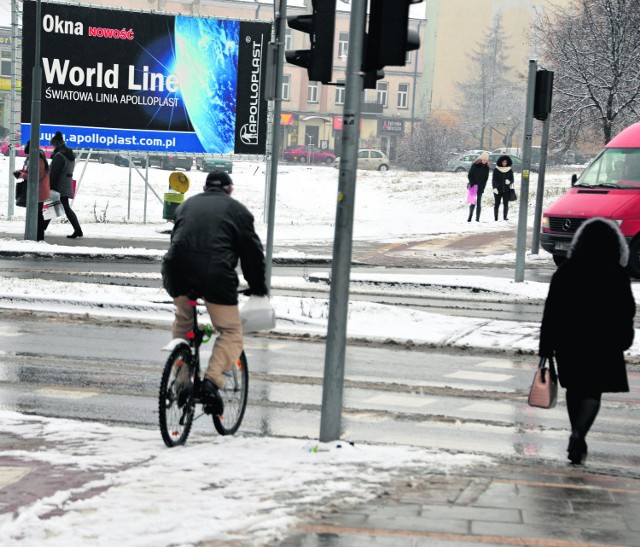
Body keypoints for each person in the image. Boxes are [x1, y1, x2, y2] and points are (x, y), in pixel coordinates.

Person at [161, 170, 268, 415]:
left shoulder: (186, 206)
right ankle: (211, 382)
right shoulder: (239, 211)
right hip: (215, 276)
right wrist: (258, 288)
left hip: (176, 271)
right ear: (230, 189)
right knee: (230, 330)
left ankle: (181, 383)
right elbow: (252, 256)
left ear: (205, 187)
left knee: (183, 322)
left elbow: (178, 240)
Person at [539, 218, 635, 465]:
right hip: (605, 342)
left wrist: (546, 345)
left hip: (570, 342)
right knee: (593, 390)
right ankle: (579, 433)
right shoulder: (616, 272)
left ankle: (575, 432)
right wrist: (625, 338)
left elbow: (552, 311)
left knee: (575, 389)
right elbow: (626, 310)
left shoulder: (566, 271)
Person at [13, 140, 51, 241]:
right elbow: (27, 171)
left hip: (39, 191)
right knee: (35, 213)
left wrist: (23, 175)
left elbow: (37, 176)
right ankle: (36, 235)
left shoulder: (39, 159)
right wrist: (20, 172)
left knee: (37, 213)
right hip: (34, 190)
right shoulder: (30, 158)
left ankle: (39, 236)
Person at [49, 131, 83, 238]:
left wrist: (51, 187)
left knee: (56, 207)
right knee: (58, 207)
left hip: (59, 184)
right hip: (66, 183)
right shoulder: (68, 153)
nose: (52, 147)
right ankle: (78, 230)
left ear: (57, 143)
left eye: (53, 145)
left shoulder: (59, 156)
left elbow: (54, 173)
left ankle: (40, 229)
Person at [466, 152, 490, 222]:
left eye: (486, 160)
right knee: (473, 202)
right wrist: (472, 183)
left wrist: (483, 188)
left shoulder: (487, 168)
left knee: (479, 203)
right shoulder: (475, 165)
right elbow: (470, 175)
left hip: (480, 187)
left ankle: (477, 219)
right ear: (481, 159)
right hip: (473, 186)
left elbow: (486, 179)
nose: (484, 161)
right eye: (483, 159)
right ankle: (470, 218)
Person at [491, 155, 514, 221]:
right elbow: (494, 180)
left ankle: (505, 217)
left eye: (505, 162)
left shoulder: (509, 170)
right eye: (503, 162)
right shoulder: (496, 169)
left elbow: (512, 179)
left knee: (506, 204)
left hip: (506, 190)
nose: (504, 163)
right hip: (497, 190)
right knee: (497, 204)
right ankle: (496, 218)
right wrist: (494, 188)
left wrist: (509, 181)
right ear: (500, 162)